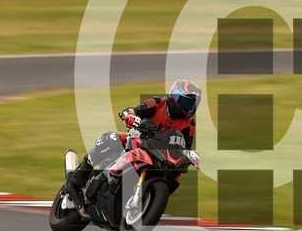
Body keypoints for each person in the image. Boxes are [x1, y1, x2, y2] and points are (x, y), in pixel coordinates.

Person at [65, 79, 202, 219]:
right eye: (186, 103)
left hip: (162, 155)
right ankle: (77, 178)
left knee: (176, 175)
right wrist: (130, 116)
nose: (189, 109)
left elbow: (185, 146)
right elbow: (134, 110)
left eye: (192, 105)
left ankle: (144, 198)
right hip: (140, 140)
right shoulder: (158, 103)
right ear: (174, 97)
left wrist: (189, 156)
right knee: (112, 138)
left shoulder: (190, 124)